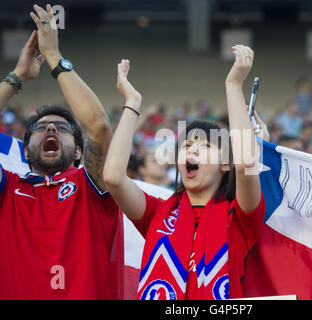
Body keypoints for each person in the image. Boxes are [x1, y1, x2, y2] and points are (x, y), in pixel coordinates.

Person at [103, 45, 264, 300]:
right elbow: (112, 177)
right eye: (187, 146)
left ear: (225, 164)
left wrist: (234, 86)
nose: (193, 151)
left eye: (206, 146)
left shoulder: (241, 215)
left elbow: (245, 163)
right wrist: (132, 105)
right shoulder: (158, 212)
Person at [0, 5, 122, 299]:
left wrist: (53, 56)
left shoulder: (92, 188)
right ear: (26, 151)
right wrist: (17, 76)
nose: (51, 130)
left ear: (80, 152)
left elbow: (99, 128)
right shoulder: (8, 192)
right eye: (40, 129)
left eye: (62, 128)